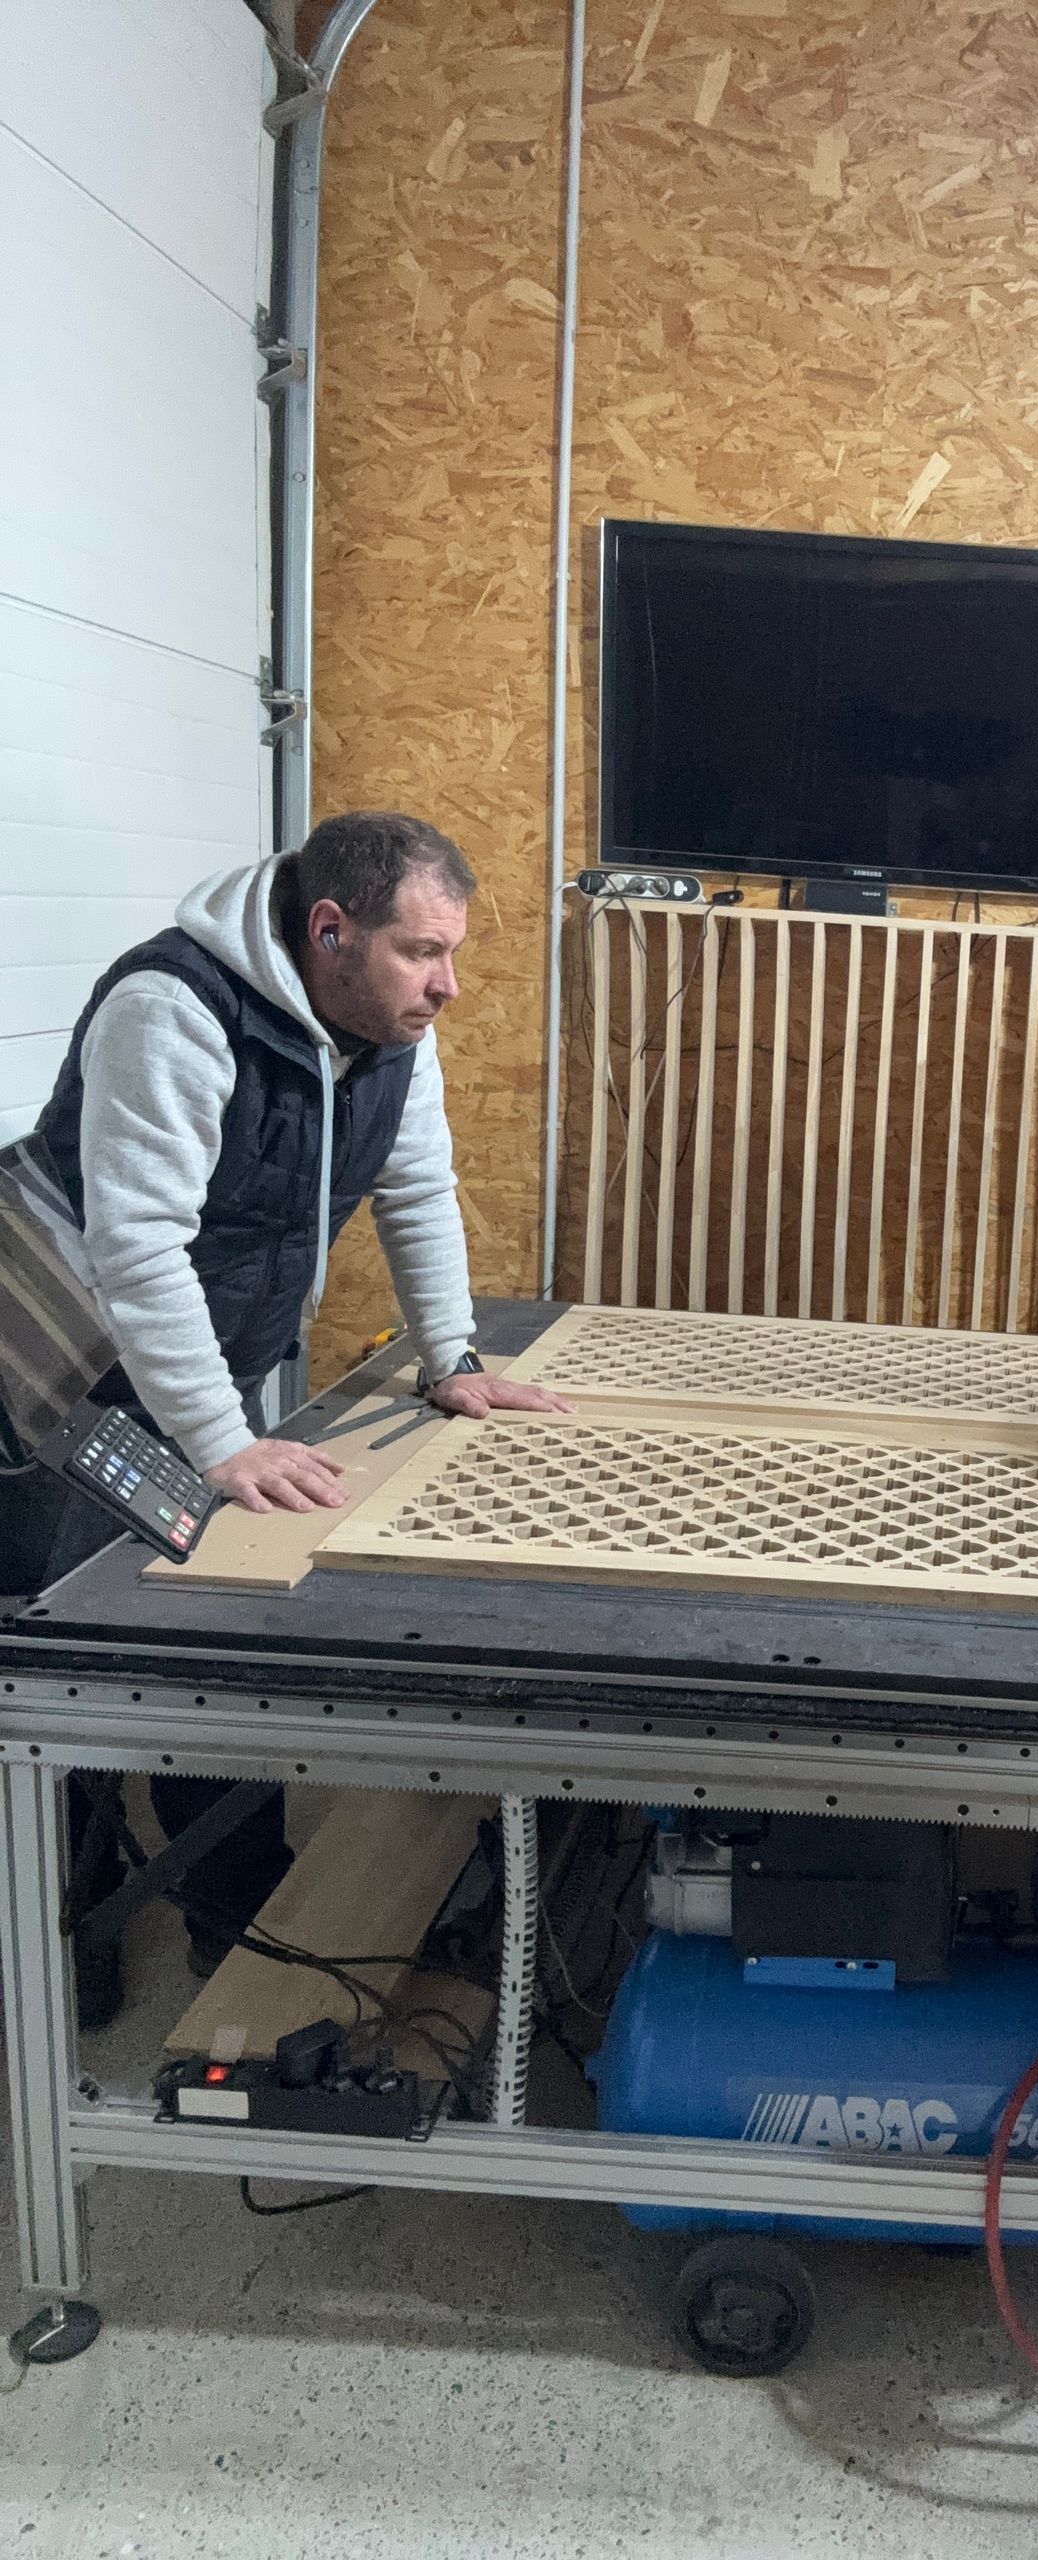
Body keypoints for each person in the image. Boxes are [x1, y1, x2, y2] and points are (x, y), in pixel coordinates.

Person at [4, 812, 568, 2023]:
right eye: (424, 952)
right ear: (331, 932)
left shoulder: (386, 1030)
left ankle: (230, 1911)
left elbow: (416, 1189)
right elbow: (138, 1250)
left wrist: (452, 1357)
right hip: (76, 1363)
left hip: (202, 1351)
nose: (449, 985)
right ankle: (62, 1926)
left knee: (209, 1647)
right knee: (72, 1663)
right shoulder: (174, 1010)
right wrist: (222, 1441)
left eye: (452, 953)